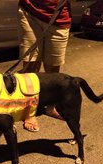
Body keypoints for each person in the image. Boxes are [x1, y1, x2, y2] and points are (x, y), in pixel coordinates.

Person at [18, 0, 71, 132]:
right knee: (30, 67)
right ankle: (28, 111)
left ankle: (50, 106)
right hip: (30, 11)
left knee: (52, 69)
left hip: (59, 15)